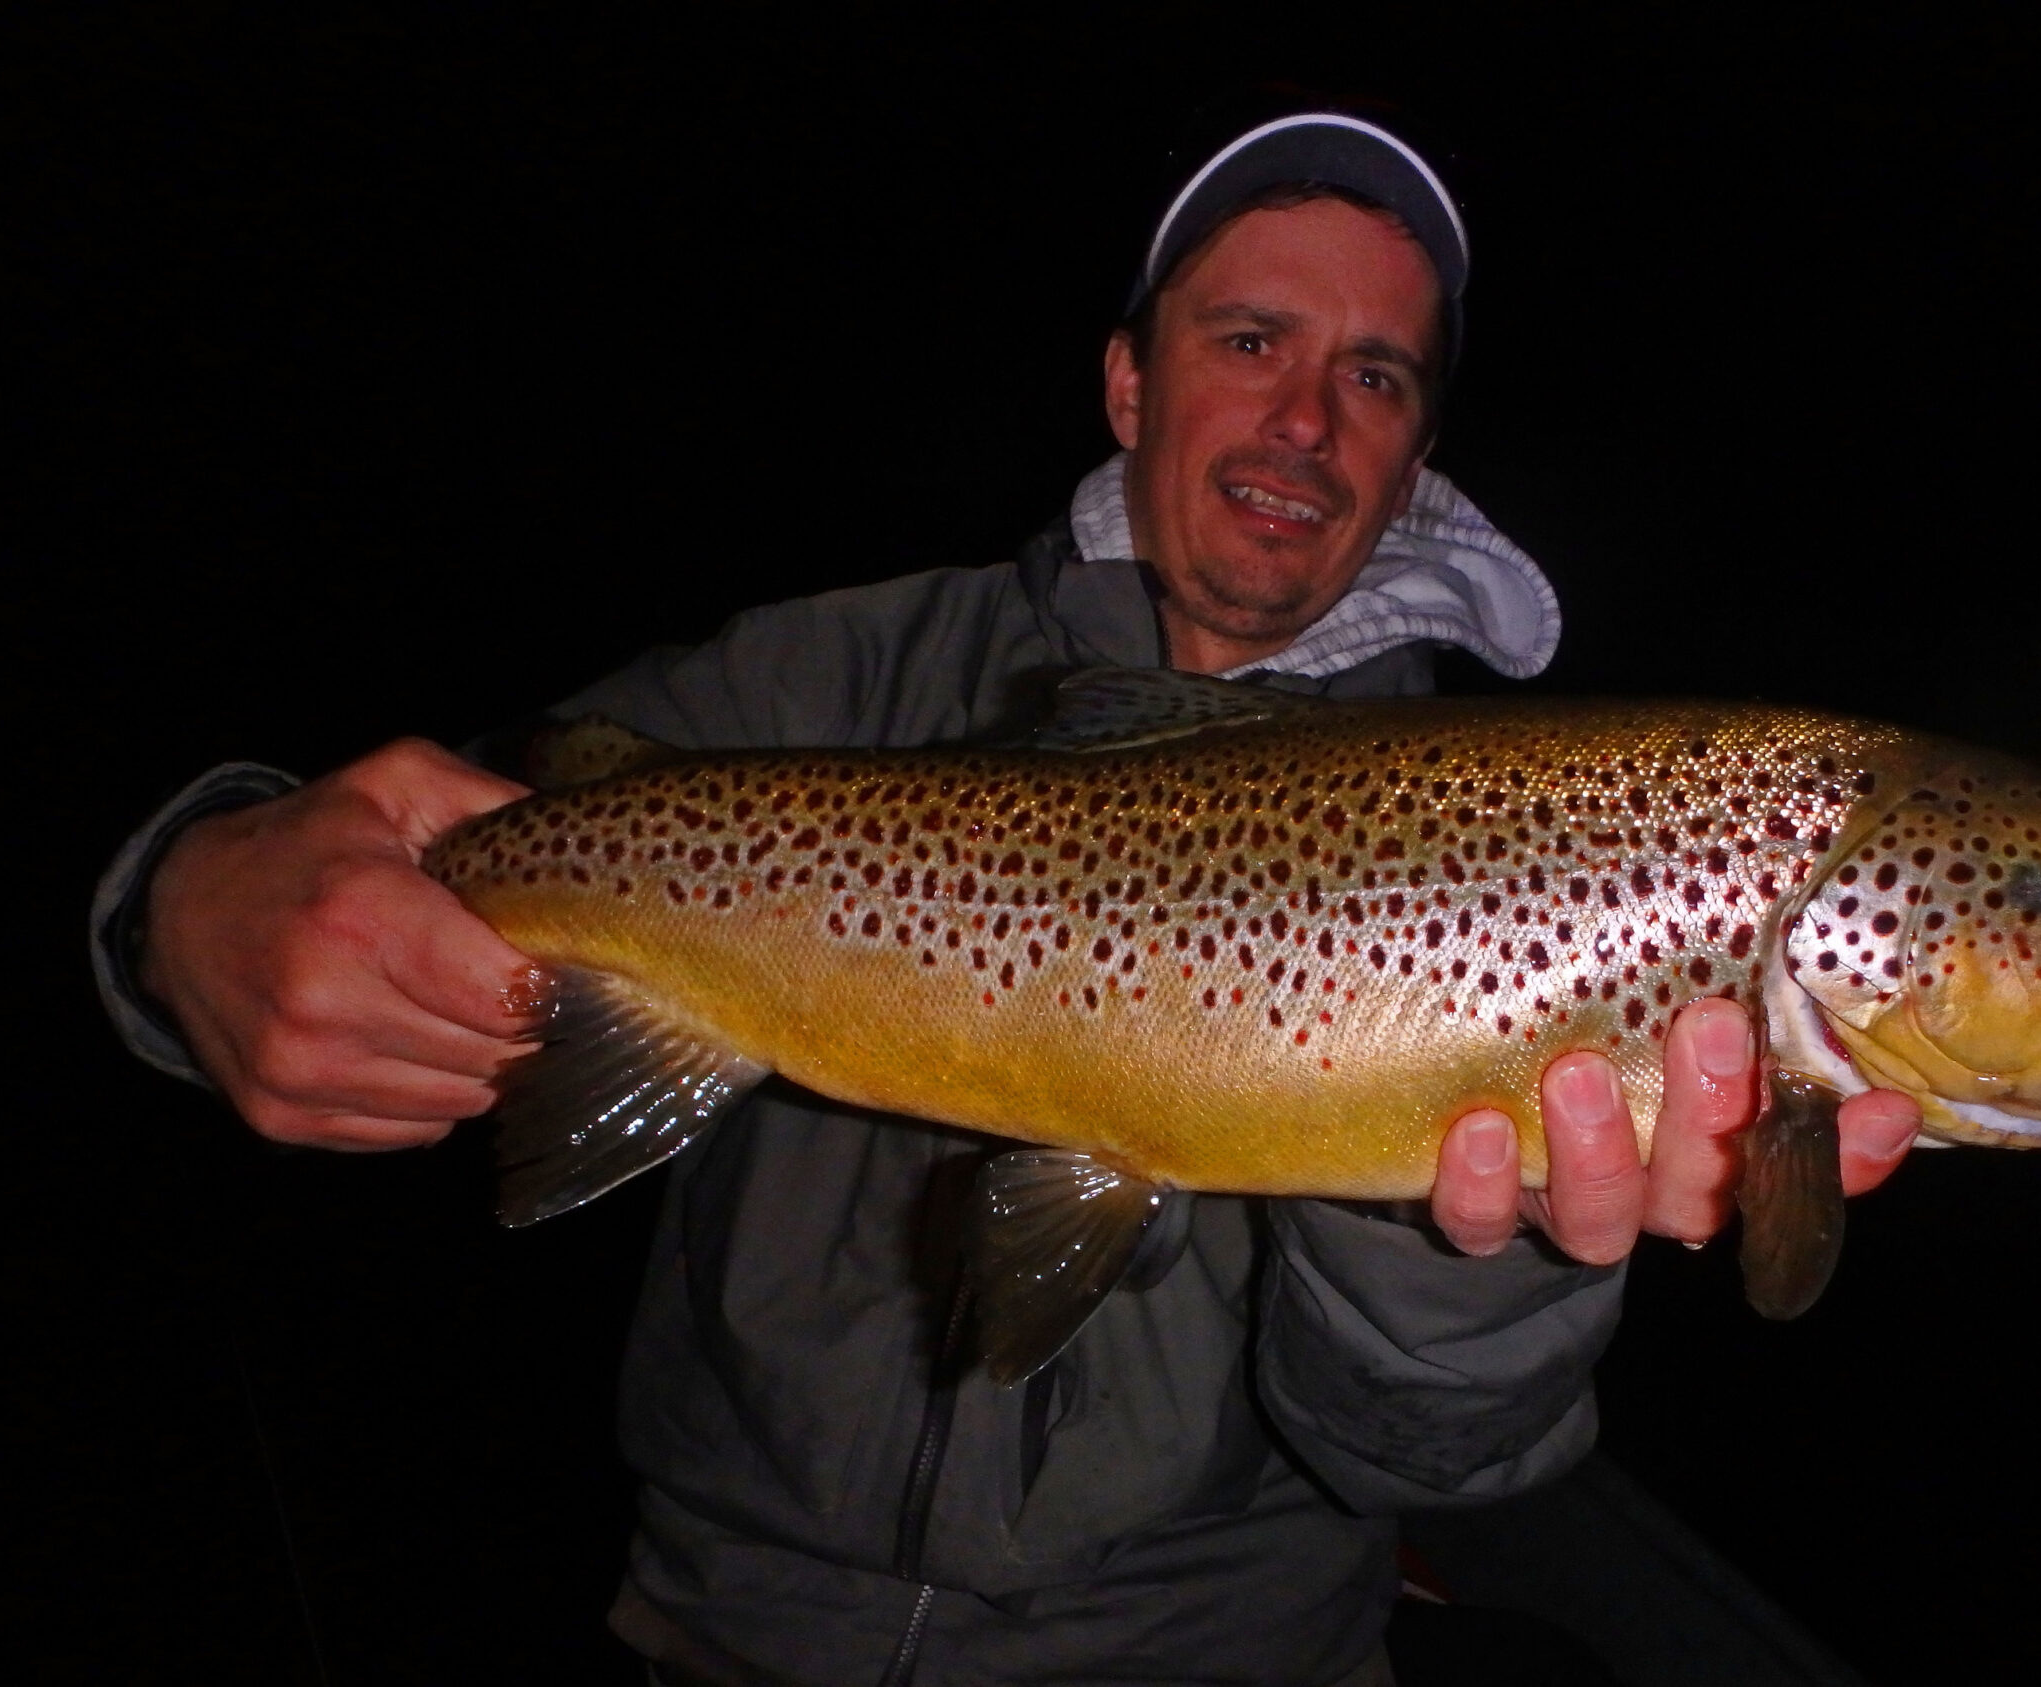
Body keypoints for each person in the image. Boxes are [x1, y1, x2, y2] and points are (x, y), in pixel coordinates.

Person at [92, 112, 1921, 1686]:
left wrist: (1476, 1252)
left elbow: (1436, 1466)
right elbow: (416, 835)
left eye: (1377, 376)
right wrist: (187, 899)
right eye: (1252, 339)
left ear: (1416, 454)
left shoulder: (1536, 830)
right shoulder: (821, 677)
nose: (1307, 417)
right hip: (724, 1637)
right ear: (1129, 382)